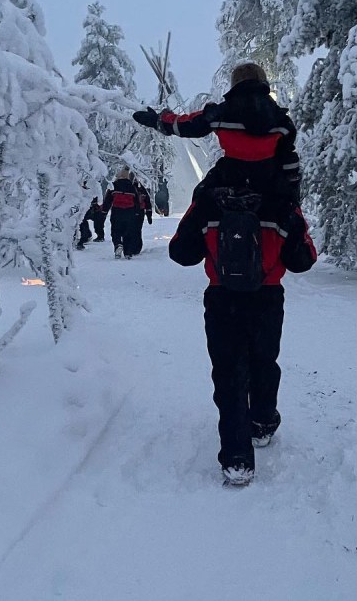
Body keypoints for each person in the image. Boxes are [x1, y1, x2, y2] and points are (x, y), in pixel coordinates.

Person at [169, 182, 317, 487]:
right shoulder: (281, 200)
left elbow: (181, 252)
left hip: (222, 297)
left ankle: (237, 459)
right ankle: (262, 423)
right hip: (267, 297)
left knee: (228, 373)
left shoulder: (209, 197)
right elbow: (303, 259)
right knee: (264, 360)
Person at [133, 62, 300, 206]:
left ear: (234, 84)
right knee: (293, 226)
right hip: (268, 180)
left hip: (229, 177)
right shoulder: (282, 120)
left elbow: (188, 125)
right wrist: (292, 194)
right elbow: (289, 159)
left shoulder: (220, 113)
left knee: (196, 215)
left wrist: (159, 121)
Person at [102, 167, 139, 259]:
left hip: (117, 211)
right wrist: (137, 212)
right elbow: (137, 200)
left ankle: (118, 245)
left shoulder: (114, 185)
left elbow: (108, 199)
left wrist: (104, 210)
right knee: (128, 232)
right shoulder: (131, 187)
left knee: (115, 230)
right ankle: (128, 252)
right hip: (129, 212)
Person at [128, 173, 153, 256]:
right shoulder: (141, 188)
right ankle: (137, 248)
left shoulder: (127, 188)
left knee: (129, 230)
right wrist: (149, 214)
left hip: (129, 211)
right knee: (137, 230)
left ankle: (130, 247)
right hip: (140, 212)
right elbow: (147, 201)